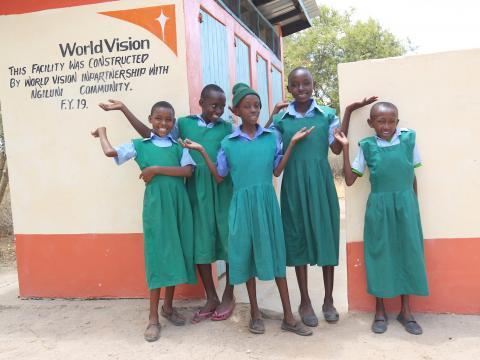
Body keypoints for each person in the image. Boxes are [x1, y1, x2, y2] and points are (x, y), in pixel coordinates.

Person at [181, 83, 313, 336]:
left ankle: (288, 316)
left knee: (276, 258)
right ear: (237, 111)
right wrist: (200, 151)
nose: (254, 110)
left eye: (257, 106)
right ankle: (254, 313)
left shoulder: (270, 137)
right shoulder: (228, 143)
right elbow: (220, 176)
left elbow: (276, 170)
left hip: (266, 204)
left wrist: (292, 143)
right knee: (249, 259)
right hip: (241, 206)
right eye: (248, 106)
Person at [99, 84, 235, 323]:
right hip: (194, 192)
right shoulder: (183, 123)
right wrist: (124, 109)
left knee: (229, 241)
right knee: (200, 245)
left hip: (221, 187)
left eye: (222, 106)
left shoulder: (226, 127)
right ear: (201, 102)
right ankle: (211, 297)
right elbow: (151, 137)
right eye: (214, 105)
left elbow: (246, 142)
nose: (218, 110)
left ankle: (228, 295)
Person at [267, 66, 377, 326]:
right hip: (293, 185)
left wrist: (348, 112)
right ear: (290, 89)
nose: (302, 89)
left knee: (326, 237)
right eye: (296, 85)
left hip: (321, 183)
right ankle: (304, 301)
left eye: (306, 84)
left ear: (313, 86)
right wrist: (271, 117)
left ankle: (328, 300)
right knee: (297, 239)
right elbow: (270, 149)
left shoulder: (326, 115)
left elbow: (337, 148)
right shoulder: (282, 120)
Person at [91, 101, 197, 342]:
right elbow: (111, 153)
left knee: (175, 254)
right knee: (158, 257)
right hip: (156, 208)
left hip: (178, 206)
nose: (163, 124)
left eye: (168, 120)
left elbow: (188, 172)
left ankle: (168, 308)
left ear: (173, 123)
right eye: (158, 119)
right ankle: (152, 318)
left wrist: (156, 169)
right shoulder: (140, 145)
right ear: (150, 119)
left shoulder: (179, 147)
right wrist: (103, 133)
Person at [335, 101, 428, 335]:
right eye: (381, 121)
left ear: (397, 121)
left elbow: (412, 175)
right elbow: (348, 180)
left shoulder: (408, 141)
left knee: (408, 253)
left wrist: (412, 205)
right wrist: (345, 148)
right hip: (378, 207)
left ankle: (406, 311)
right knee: (379, 255)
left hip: (406, 206)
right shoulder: (366, 147)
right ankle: (380, 310)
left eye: (391, 120)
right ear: (371, 123)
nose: (387, 125)